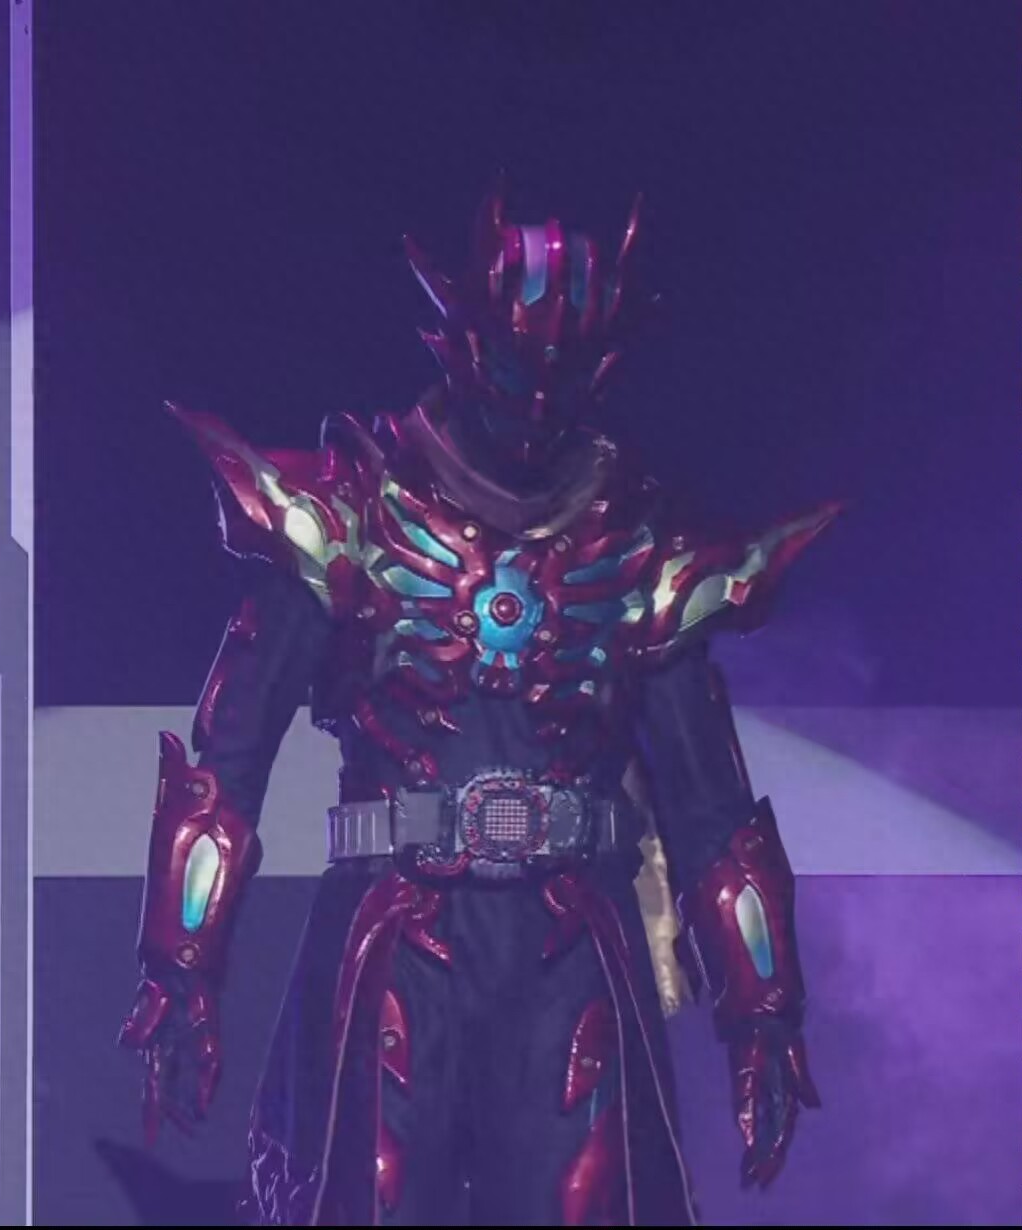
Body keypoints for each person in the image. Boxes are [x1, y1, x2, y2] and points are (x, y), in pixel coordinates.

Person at [119, 184, 831, 1226]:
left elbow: (708, 809)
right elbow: (226, 764)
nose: (535, 404)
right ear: (462, 344)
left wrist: (763, 1013)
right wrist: (181, 972)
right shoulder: (349, 514)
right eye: (516, 366)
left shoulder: (639, 547)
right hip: (394, 936)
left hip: (570, 949)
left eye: (562, 374)